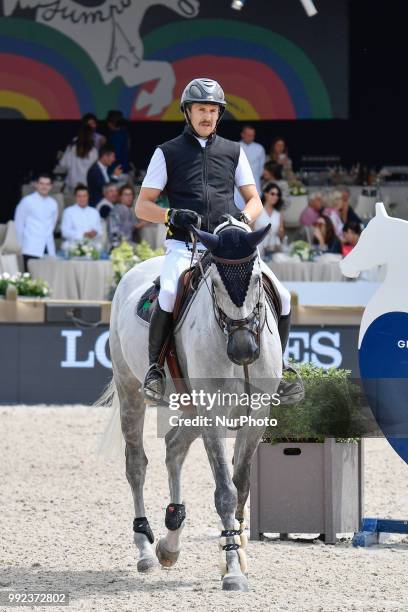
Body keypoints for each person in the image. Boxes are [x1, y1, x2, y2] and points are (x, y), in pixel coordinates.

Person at [135, 77, 303, 404]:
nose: (207, 116)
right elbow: (142, 206)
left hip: (228, 249)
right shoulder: (166, 152)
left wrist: (243, 219)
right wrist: (170, 215)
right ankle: (155, 370)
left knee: (281, 296)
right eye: (201, 109)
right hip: (186, 246)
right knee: (169, 293)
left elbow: (253, 199)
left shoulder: (233, 151)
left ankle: (280, 367)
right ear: (187, 112)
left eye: (213, 110)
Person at [14, 172, 58, 271]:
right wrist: (19, 246)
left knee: (47, 278)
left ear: (51, 186)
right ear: (36, 184)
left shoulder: (53, 203)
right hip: (30, 247)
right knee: (29, 278)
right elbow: (19, 225)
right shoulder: (27, 201)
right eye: (42, 183)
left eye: (47, 184)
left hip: (47, 247)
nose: (44, 187)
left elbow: (52, 225)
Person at [59, 125, 98, 192]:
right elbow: (96, 169)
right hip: (87, 184)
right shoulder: (93, 150)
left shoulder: (71, 147)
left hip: (72, 183)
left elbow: (63, 164)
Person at [234, 125, 265, 208]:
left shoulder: (259, 148)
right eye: (248, 135)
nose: (250, 137)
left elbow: (261, 168)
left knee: (254, 210)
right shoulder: (235, 146)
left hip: (255, 184)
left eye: (252, 135)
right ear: (242, 134)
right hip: (238, 187)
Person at [254, 182, 285, 259]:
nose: (275, 197)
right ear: (266, 194)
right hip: (259, 247)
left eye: (277, 195)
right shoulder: (257, 210)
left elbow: (282, 236)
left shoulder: (278, 214)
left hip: (274, 248)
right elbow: (249, 230)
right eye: (273, 194)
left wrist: (281, 232)